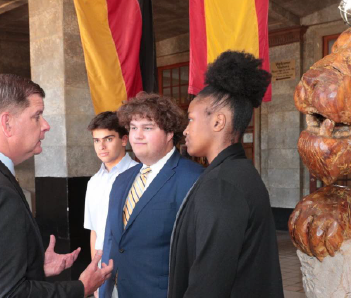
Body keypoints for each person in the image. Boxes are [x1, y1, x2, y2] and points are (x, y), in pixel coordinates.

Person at [0, 74, 113, 297]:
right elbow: (8, 294)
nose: (46, 125)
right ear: (7, 123)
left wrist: (33, 265)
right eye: (37, 116)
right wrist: (81, 287)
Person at [168, 51, 284, 298]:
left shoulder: (223, 185)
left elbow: (209, 283)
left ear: (218, 122)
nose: (185, 130)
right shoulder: (235, 172)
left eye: (190, 119)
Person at [98, 93, 203, 298]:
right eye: (133, 127)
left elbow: (199, 254)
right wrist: (103, 287)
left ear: (170, 132)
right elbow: (113, 241)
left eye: (147, 128)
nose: (137, 136)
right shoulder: (122, 181)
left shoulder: (193, 179)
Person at [84, 111, 138, 260]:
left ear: (124, 140)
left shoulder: (139, 175)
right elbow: (94, 231)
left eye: (108, 139)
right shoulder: (93, 182)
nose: (101, 146)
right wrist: (95, 270)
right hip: (102, 268)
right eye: (96, 140)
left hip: (131, 264)